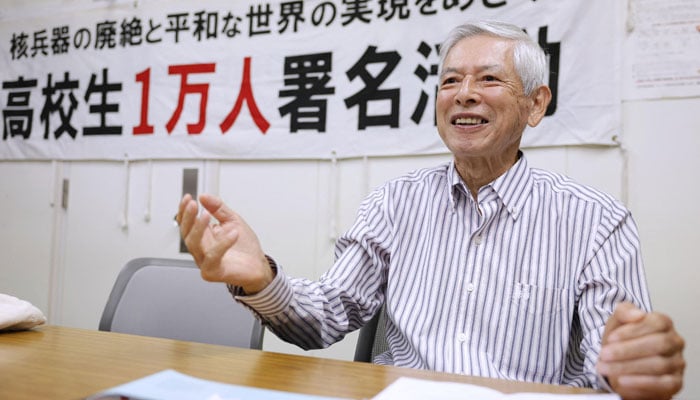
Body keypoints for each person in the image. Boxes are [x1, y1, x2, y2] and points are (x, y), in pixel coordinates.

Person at [177, 20, 685, 399]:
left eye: (488, 79)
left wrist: (635, 371)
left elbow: (611, 369)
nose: (464, 95)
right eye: (449, 82)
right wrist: (260, 279)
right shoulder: (394, 203)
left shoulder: (596, 221)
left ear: (536, 104)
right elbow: (325, 320)